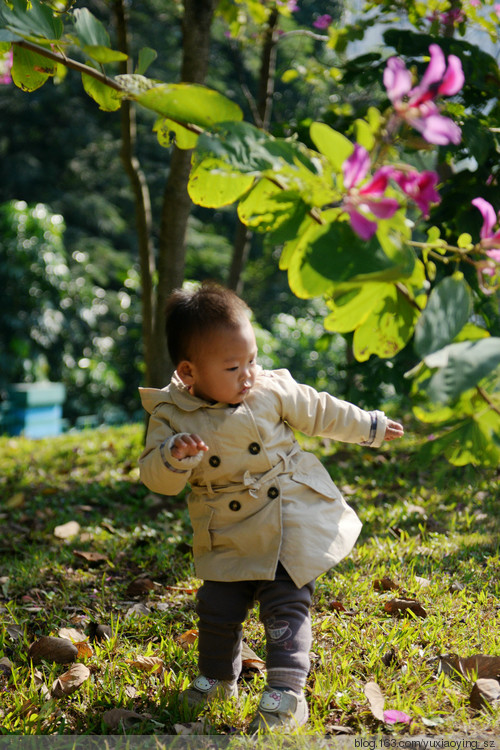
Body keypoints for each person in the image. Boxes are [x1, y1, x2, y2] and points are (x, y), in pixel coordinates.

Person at [138, 282, 404, 733]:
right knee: (217, 608)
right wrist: (173, 456)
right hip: (224, 529)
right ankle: (219, 677)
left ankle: (285, 689)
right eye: (232, 366)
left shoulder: (269, 389)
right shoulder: (170, 416)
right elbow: (153, 477)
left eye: (252, 360)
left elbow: (321, 410)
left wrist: (370, 426)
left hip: (286, 517)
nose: (247, 374)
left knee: (286, 604)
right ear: (188, 372)